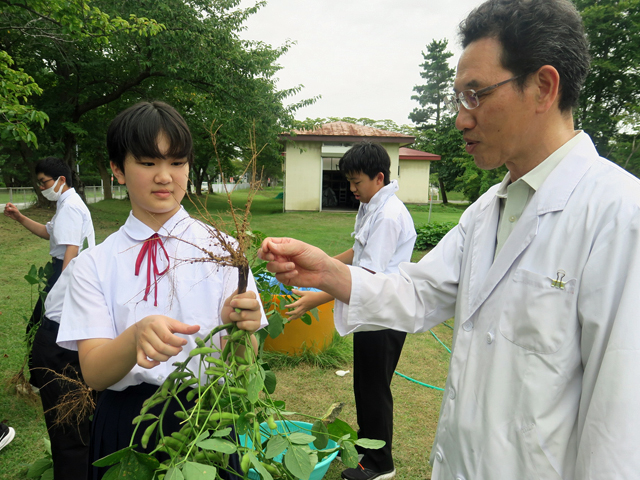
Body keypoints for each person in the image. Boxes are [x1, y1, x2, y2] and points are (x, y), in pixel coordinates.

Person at [258, 0, 640, 478]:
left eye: (476, 95)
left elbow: (619, 428)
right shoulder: (486, 212)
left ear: (543, 87)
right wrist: (331, 273)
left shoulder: (620, 215)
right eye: (460, 97)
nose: (462, 118)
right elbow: (420, 292)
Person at [56, 101, 267, 480]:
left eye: (177, 162)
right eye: (149, 163)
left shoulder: (225, 251)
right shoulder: (94, 265)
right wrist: (135, 337)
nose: (165, 177)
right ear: (118, 169)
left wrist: (240, 330)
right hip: (127, 427)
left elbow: (241, 364)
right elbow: (95, 374)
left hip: (208, 420)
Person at [286, 142, 416, 480]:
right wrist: (322, 265)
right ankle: (369, 449)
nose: (351, 188)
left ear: (379, 177)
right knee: (366, 386)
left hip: (384, 314)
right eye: (349, 181)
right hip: (372, 311)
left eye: (356, 181)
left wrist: (316, 295)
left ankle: (380, 464)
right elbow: (357, 253)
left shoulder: (388, 216)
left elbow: (364, 278)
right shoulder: (373, 205)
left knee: (373, 389)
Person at [3, 156, 96, 386]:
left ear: (61, 180)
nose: (42, 187)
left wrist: (63, 288)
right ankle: (51, 377)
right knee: (45, 326)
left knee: (39, 327)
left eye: (44, 182)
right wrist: (20, 217)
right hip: (65, 271)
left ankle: (42, 381)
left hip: (67, 272)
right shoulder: (66, 203)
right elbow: (49, 232)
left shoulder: (71, 207)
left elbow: (72, 250)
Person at [30, 258, 94, 479]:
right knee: (71, 440)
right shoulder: (95, 261)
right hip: (64, 344)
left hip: (88, 340)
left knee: (98, 430)